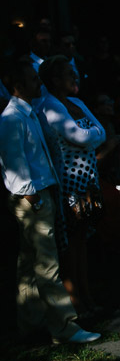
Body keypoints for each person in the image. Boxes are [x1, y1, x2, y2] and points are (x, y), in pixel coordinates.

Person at [0, 59, 100, 344]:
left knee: (28, 263)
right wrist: (30, 196)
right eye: (32, 79)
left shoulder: (28, 112)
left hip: (42, 192)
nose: (38, 83)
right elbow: (12, 162)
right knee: (48, 264)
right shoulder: (12, 118)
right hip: (32, 197)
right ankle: (65, 326)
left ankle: (30, 323)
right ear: (18, 85)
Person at [36, 55, 106, 316]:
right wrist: (92, 137)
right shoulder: (50, 106)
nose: (75, 77)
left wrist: (92, 137)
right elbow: (79, 135)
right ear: (54, 80)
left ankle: (88, 297)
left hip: (88, 180)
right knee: (71, 244)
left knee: (83, 241)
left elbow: (99, 133)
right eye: (68, 74)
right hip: (69, 182)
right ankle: (77, 304)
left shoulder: (76, 102)